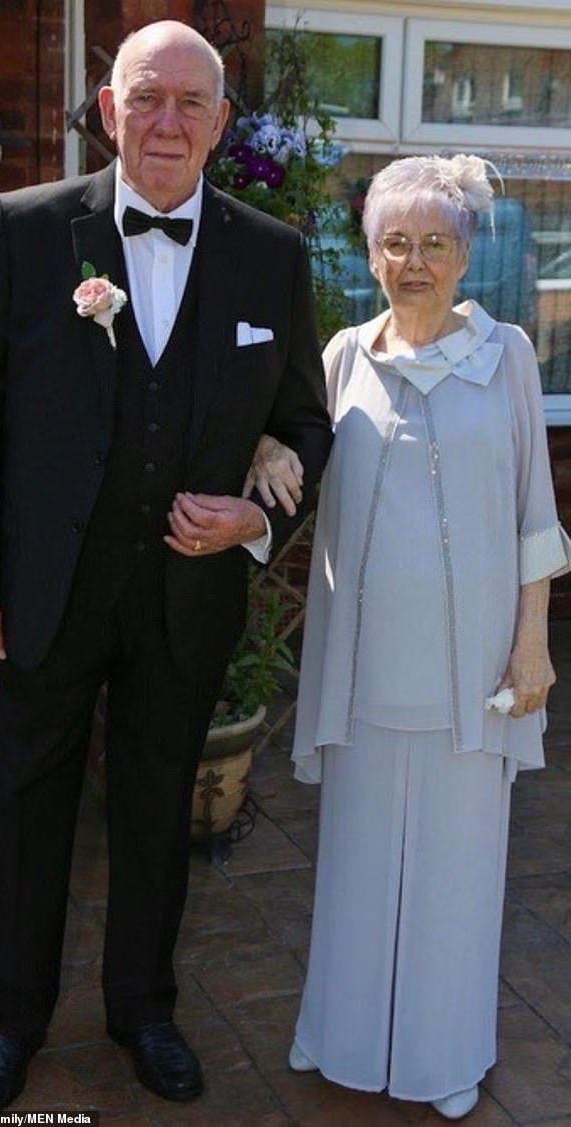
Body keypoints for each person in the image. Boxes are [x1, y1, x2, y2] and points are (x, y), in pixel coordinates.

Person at [0, 20, 332, 1113]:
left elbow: (306, 421)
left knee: (160, 808)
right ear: (108, 112)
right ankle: (8, 1021)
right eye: (144, 99)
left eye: (188, 103)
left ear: (218, 121)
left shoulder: (274, 251)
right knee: (26, 809)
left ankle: (144, 1011)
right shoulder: (23, 229)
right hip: (45, 592)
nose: (166, 121)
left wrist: (253, 522)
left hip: (185, 596)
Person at [287, 155, 571, 1119]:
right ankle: (344, 1039)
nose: (414, 261)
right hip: (366, 670)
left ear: (464, 254)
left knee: (455, 875)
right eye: (394, 243)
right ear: (369, 255)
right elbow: (292, 463)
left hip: (473, 674)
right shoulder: (339, 357)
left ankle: (444, 1058)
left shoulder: (512, 357)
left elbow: (537, 509)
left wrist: (532, 646)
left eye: (434, 244)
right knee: (359, 867)